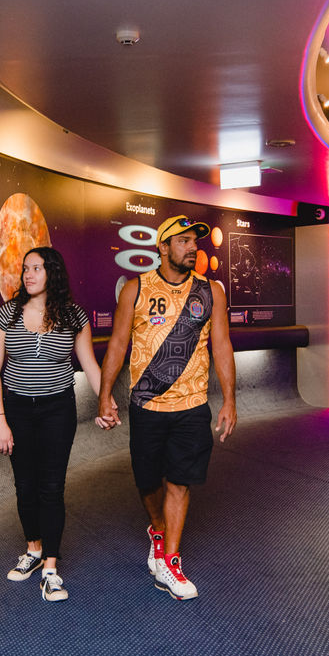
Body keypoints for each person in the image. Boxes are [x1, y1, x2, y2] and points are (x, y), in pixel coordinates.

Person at [97, 215, 236, 600]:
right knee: (147, 482)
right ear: (162, 247)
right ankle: (157, 529)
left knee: (179, 481)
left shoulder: (211, 292)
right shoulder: (135, 289)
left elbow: (221, 345)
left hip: (192, 405)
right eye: (184, 241)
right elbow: (118, 344)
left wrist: (229, 399)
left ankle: (170, 561)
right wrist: (105, 393)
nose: (194, 248)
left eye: (196, 242)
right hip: (146, 404)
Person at [0, 246, 117, 602]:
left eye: (37, 268)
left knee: (51, 487)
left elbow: (89, 364)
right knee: (25, 486)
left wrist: (106, 401)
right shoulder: (6, 315)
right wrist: (0, 419)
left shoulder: (74, 317)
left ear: (53, 273)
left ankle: (51, 569)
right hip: (16, 410)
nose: (28, 274)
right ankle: (33, 549)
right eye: (26, 268)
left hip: (58, 409)